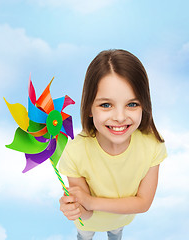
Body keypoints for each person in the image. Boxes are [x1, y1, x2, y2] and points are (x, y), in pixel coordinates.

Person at [58, 49, 167, 240]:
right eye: (106, 105)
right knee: (84, 235)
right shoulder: (74, 152)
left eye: (132, 104)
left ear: (145, 105)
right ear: (89, 108)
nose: (119, 117)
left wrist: (90, 201)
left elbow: (143, 203)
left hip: (122, 220)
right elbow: (87, 213)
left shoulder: (152, 146)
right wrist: (75, 208)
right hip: (89, 224)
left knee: (116, 232)